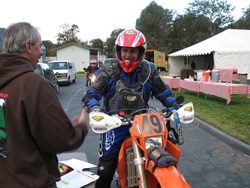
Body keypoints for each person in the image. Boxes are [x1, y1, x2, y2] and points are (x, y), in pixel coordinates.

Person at [82, 29, 179, 188]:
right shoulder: (108, 69)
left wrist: (175, 106)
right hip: (114, 125)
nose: (128, 55)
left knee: (159, 158)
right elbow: (91, 93)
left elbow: (164, 93)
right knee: (105, 171)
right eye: (125, 50)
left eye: (132, 51)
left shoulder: (150, 70)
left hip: (144, 126)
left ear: (141, 52)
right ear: (118, 51)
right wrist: (96, 110)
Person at [0, 22, 88, 188]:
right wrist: (80, 128)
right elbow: (61, 139)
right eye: (40, 46)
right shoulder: (35, 85)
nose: (41, 52)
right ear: (28, 46)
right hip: (31, 181)